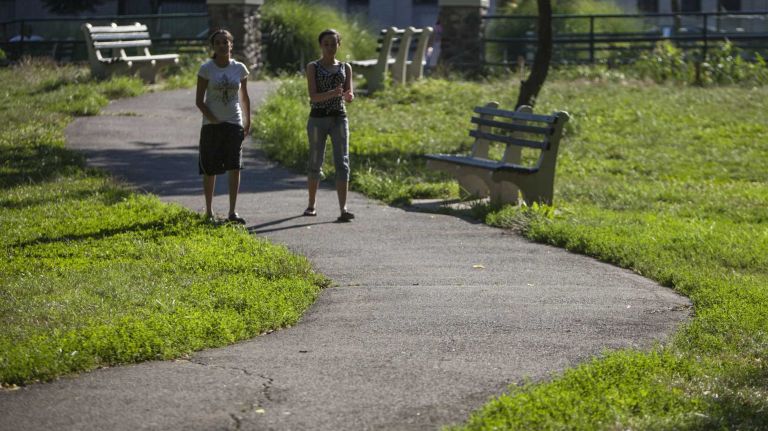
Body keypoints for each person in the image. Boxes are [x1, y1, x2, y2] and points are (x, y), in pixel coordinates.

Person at [195, 29, 251, 224]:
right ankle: (209, 211)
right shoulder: (206, 69)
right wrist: (214, 119)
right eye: (218, 42)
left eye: (225, 42)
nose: (222, 45)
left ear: (231, 45)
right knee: (210, 168)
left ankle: (232, 212)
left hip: (234, 123)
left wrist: (247, 119)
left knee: (234, 167)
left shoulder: (240, 68)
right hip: (212, 124)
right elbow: (199, 101)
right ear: (213, 47)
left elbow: (244, 96)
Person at [304, 29, 355, 222]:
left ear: (338, 45)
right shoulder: (313, 67)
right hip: (318, 119)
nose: (330, 47)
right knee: (315, 160)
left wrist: (349, 96)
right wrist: (334, 93)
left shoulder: (345, 67)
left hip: (339, 118)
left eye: (333, 44)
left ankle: (343, 208)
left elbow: (349, 92)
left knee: (342, 162)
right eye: (326, 44)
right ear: (321, 46)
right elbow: (314, 97)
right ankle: (311, 205)